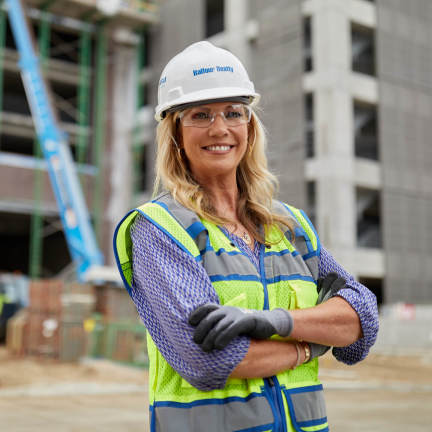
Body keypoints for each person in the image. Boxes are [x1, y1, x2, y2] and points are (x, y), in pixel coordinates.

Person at [114, 41, 379, 432]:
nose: (219, 129)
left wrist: (270, 320)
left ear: (249, 127)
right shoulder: (159, 229)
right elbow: (210, 362)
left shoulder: (291, 227)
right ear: (174, 133)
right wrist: (314, 343)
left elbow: (362, 322)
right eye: (200, 115)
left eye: (233, 113)